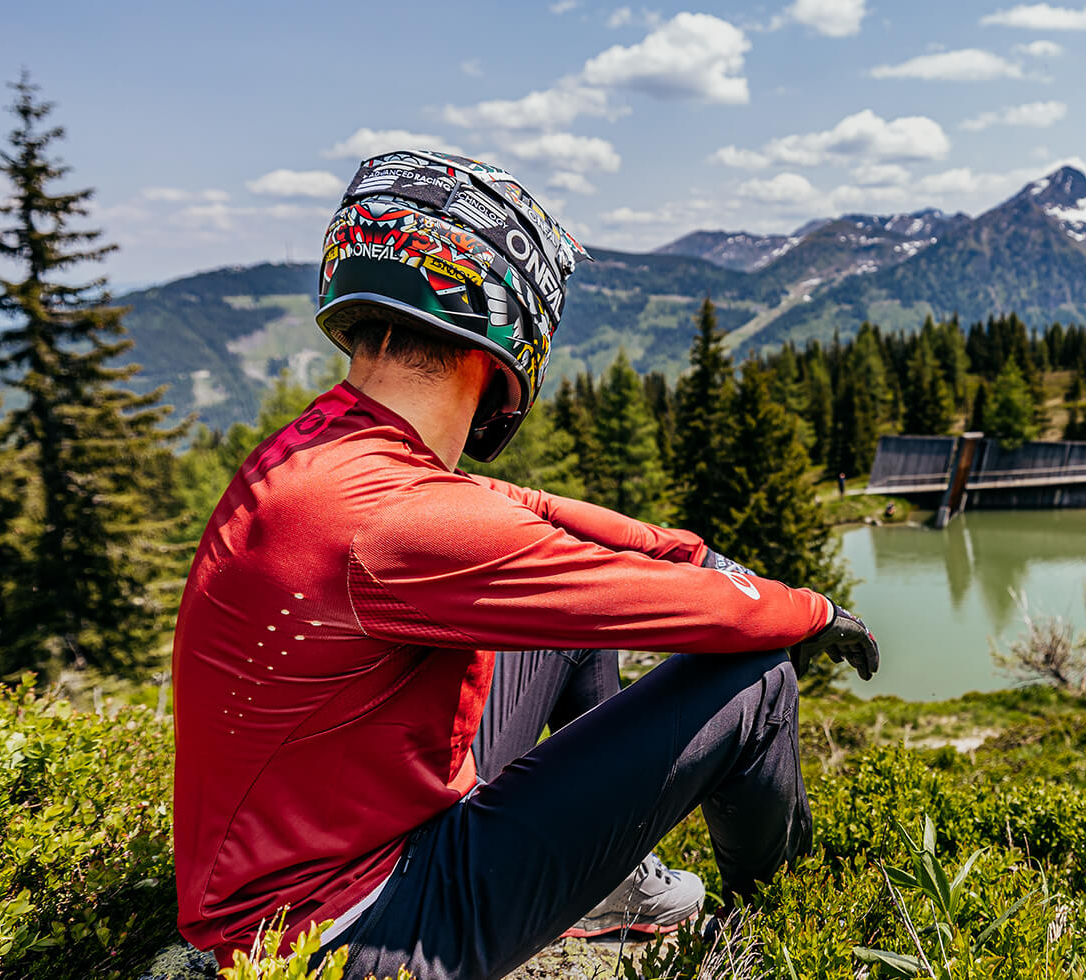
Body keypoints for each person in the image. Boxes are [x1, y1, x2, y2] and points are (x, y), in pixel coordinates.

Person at [171, 150, 879, 980]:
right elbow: (707, 613)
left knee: (559, 635)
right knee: (758, 678)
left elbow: (527, 510)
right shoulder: (397, 516)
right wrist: (810, 610)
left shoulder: (329, 453)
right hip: (346, 938)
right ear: (508, 328)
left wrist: (694, 552)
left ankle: (610, 884)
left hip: (327, 862)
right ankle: (786, 942)